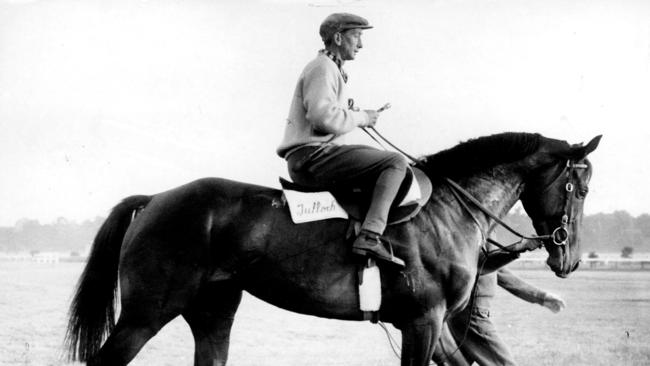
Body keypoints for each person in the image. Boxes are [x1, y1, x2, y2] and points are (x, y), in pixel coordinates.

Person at [277, 13, 409, 267]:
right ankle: (370, 237)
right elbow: (323, 118)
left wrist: (356, 114)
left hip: (314, 156)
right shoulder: (323, 68)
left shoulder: (330, 68)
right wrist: (362, 117)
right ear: (338, 37)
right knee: (394, 162)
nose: (361, 45)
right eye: (357, 36)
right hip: (313, 157)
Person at [433, 265, 566, 366]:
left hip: (467, 315)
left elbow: (500, 271)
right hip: (472, 317)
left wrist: (541, 297)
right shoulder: (476, 235)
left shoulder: (484, 239)